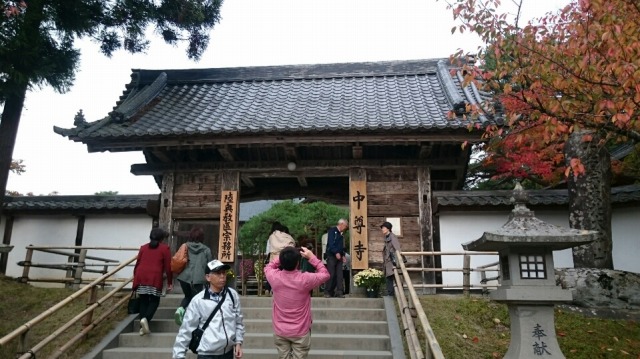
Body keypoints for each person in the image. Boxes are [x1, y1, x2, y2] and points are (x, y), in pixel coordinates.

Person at [264, 246, 330, 359]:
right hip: (301, 331)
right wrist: (312, 257)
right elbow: (325, 274)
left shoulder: (274, 277)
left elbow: (268, 266)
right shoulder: (305, 279)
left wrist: (283, 257)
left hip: (280, 330)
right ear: (298, 263)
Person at [173, 259, 245, 359]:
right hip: (207, 354)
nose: (222, 276)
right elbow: (186, 330)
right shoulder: (198, 301)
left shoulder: (232, 295)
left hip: (228, 353)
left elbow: (238, 321)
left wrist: (238, 342)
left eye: (223, 273)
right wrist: (179, 356)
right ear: (208, 277)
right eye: (217, 273)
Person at [133, 227, 173, 336]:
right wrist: (170, 282)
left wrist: (135, 280)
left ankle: (142, 328)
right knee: (155, 301)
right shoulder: (165, 249)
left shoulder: (143, 248)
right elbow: (168, 268)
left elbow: (137, 265)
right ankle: (145, 319)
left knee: (144, 301)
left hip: (141, 276)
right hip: (154, 277)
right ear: (161, 238)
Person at [174, 226, 213, 325]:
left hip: (184, 277)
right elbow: (210, 265)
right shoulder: (206, 250)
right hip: (198, 279)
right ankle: (191, 319)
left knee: (187, 296)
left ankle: (180, 309)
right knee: (196, 299)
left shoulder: (185, 246)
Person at [324, 218, 348, 298]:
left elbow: (342, 246)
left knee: (340, 274)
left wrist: (343, 255)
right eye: (345, 226)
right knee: (331, 274)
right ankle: (328, 291)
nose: (345, 228)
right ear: (341, 224)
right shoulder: (332, 231)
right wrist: (336, 252)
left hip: (339, 256)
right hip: (331, 256)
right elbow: (331, 244)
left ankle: (339, 291)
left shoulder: (341, 234)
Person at [381, 221, 401, 296]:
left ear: (388, 229)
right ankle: (390, 293)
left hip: (391, 260)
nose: (382, 229)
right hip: (388, 260)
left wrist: (397, 260)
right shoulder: (386, 237)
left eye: (383, 228)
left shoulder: (392, 237)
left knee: (392, 276)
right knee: (389, 276)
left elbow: (397, 248)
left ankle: (392, 293)